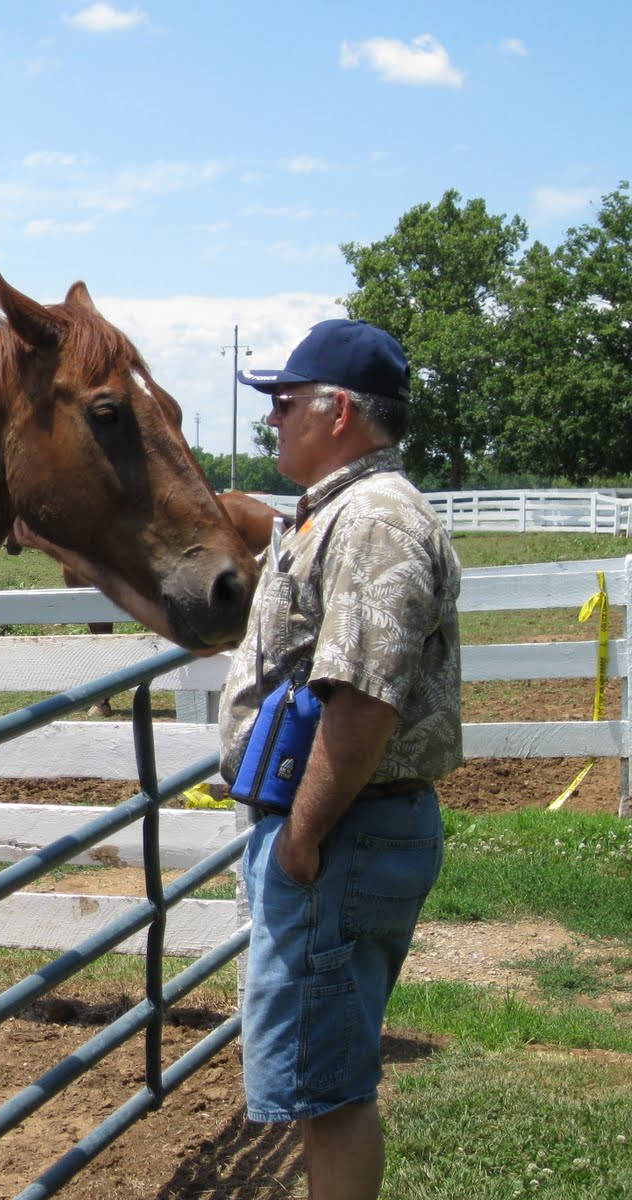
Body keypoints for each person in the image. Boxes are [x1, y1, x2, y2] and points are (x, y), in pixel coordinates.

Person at [219, 319, 463, 1200]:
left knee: (329, 1092)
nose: (272, 421)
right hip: (345, 829)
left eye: (284, 403)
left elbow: (363, 701)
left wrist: (303, 836)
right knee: (328, 1083)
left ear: (340, 410)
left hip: (340, 832)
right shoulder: (347, 510)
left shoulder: (372, 521)